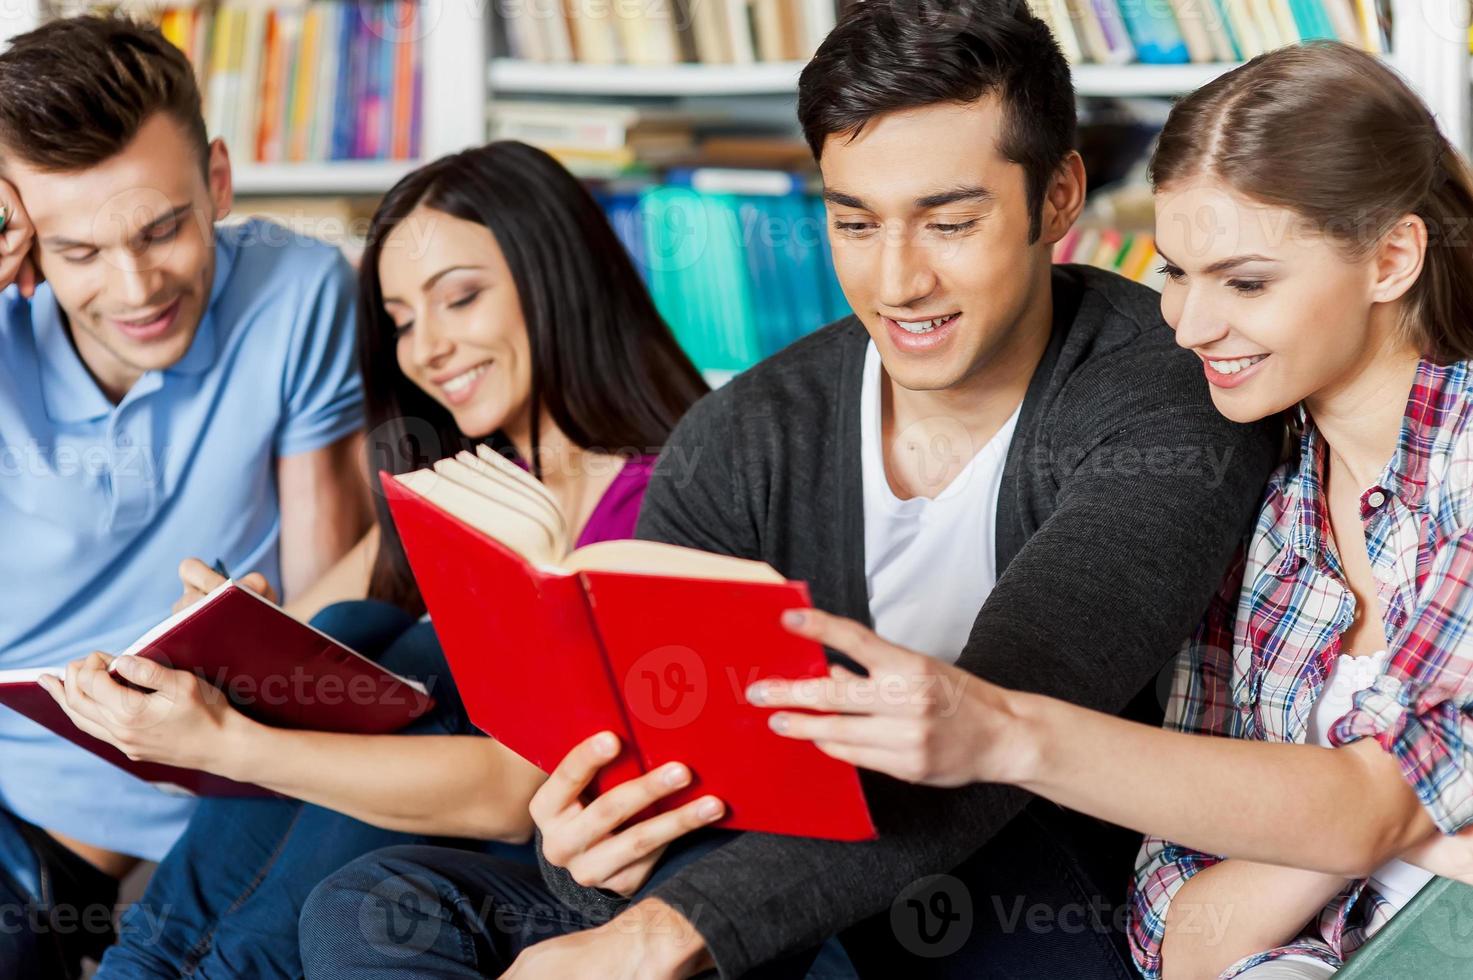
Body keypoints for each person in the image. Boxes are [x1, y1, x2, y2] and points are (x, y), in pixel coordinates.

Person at [297, 3, 1280, 977]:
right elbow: (654, 754)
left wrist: (653, 934)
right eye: (855, 221)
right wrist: (594, 852)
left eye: (949, 221)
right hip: (748, 864)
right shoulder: (747, 431)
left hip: (1006, 883)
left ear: (1059, 197)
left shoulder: (1168, 389)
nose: (898, 282)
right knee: (378, 903)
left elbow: (1004, 722)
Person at [742, 41, 1473, 980]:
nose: (1189, 324)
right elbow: (1176, 936)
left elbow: (1372, 803)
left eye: (1245, 281)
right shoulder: (1263, 488)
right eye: (1175, 272)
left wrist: (1001, 731)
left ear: (1391, 258)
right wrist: (1380, 839)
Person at [36, 139, 710, 979]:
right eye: (400, 321)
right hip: (275, 895)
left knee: (427, 656)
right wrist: (218, 647)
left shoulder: (675, 496)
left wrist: (226, 743)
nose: (426, 349)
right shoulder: (471, 482)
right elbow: (313, 627)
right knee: (357, 627)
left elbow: (516, 791)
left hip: (531, 870)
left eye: (458, 299)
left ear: (558, 279)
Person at [0, 16, 369, 977]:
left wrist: (256, 652)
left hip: (186, 798)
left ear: (217, 179)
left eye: (163, 228)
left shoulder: (296, 289)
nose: (136, 287)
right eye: (78, 253)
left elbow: (331, 615)